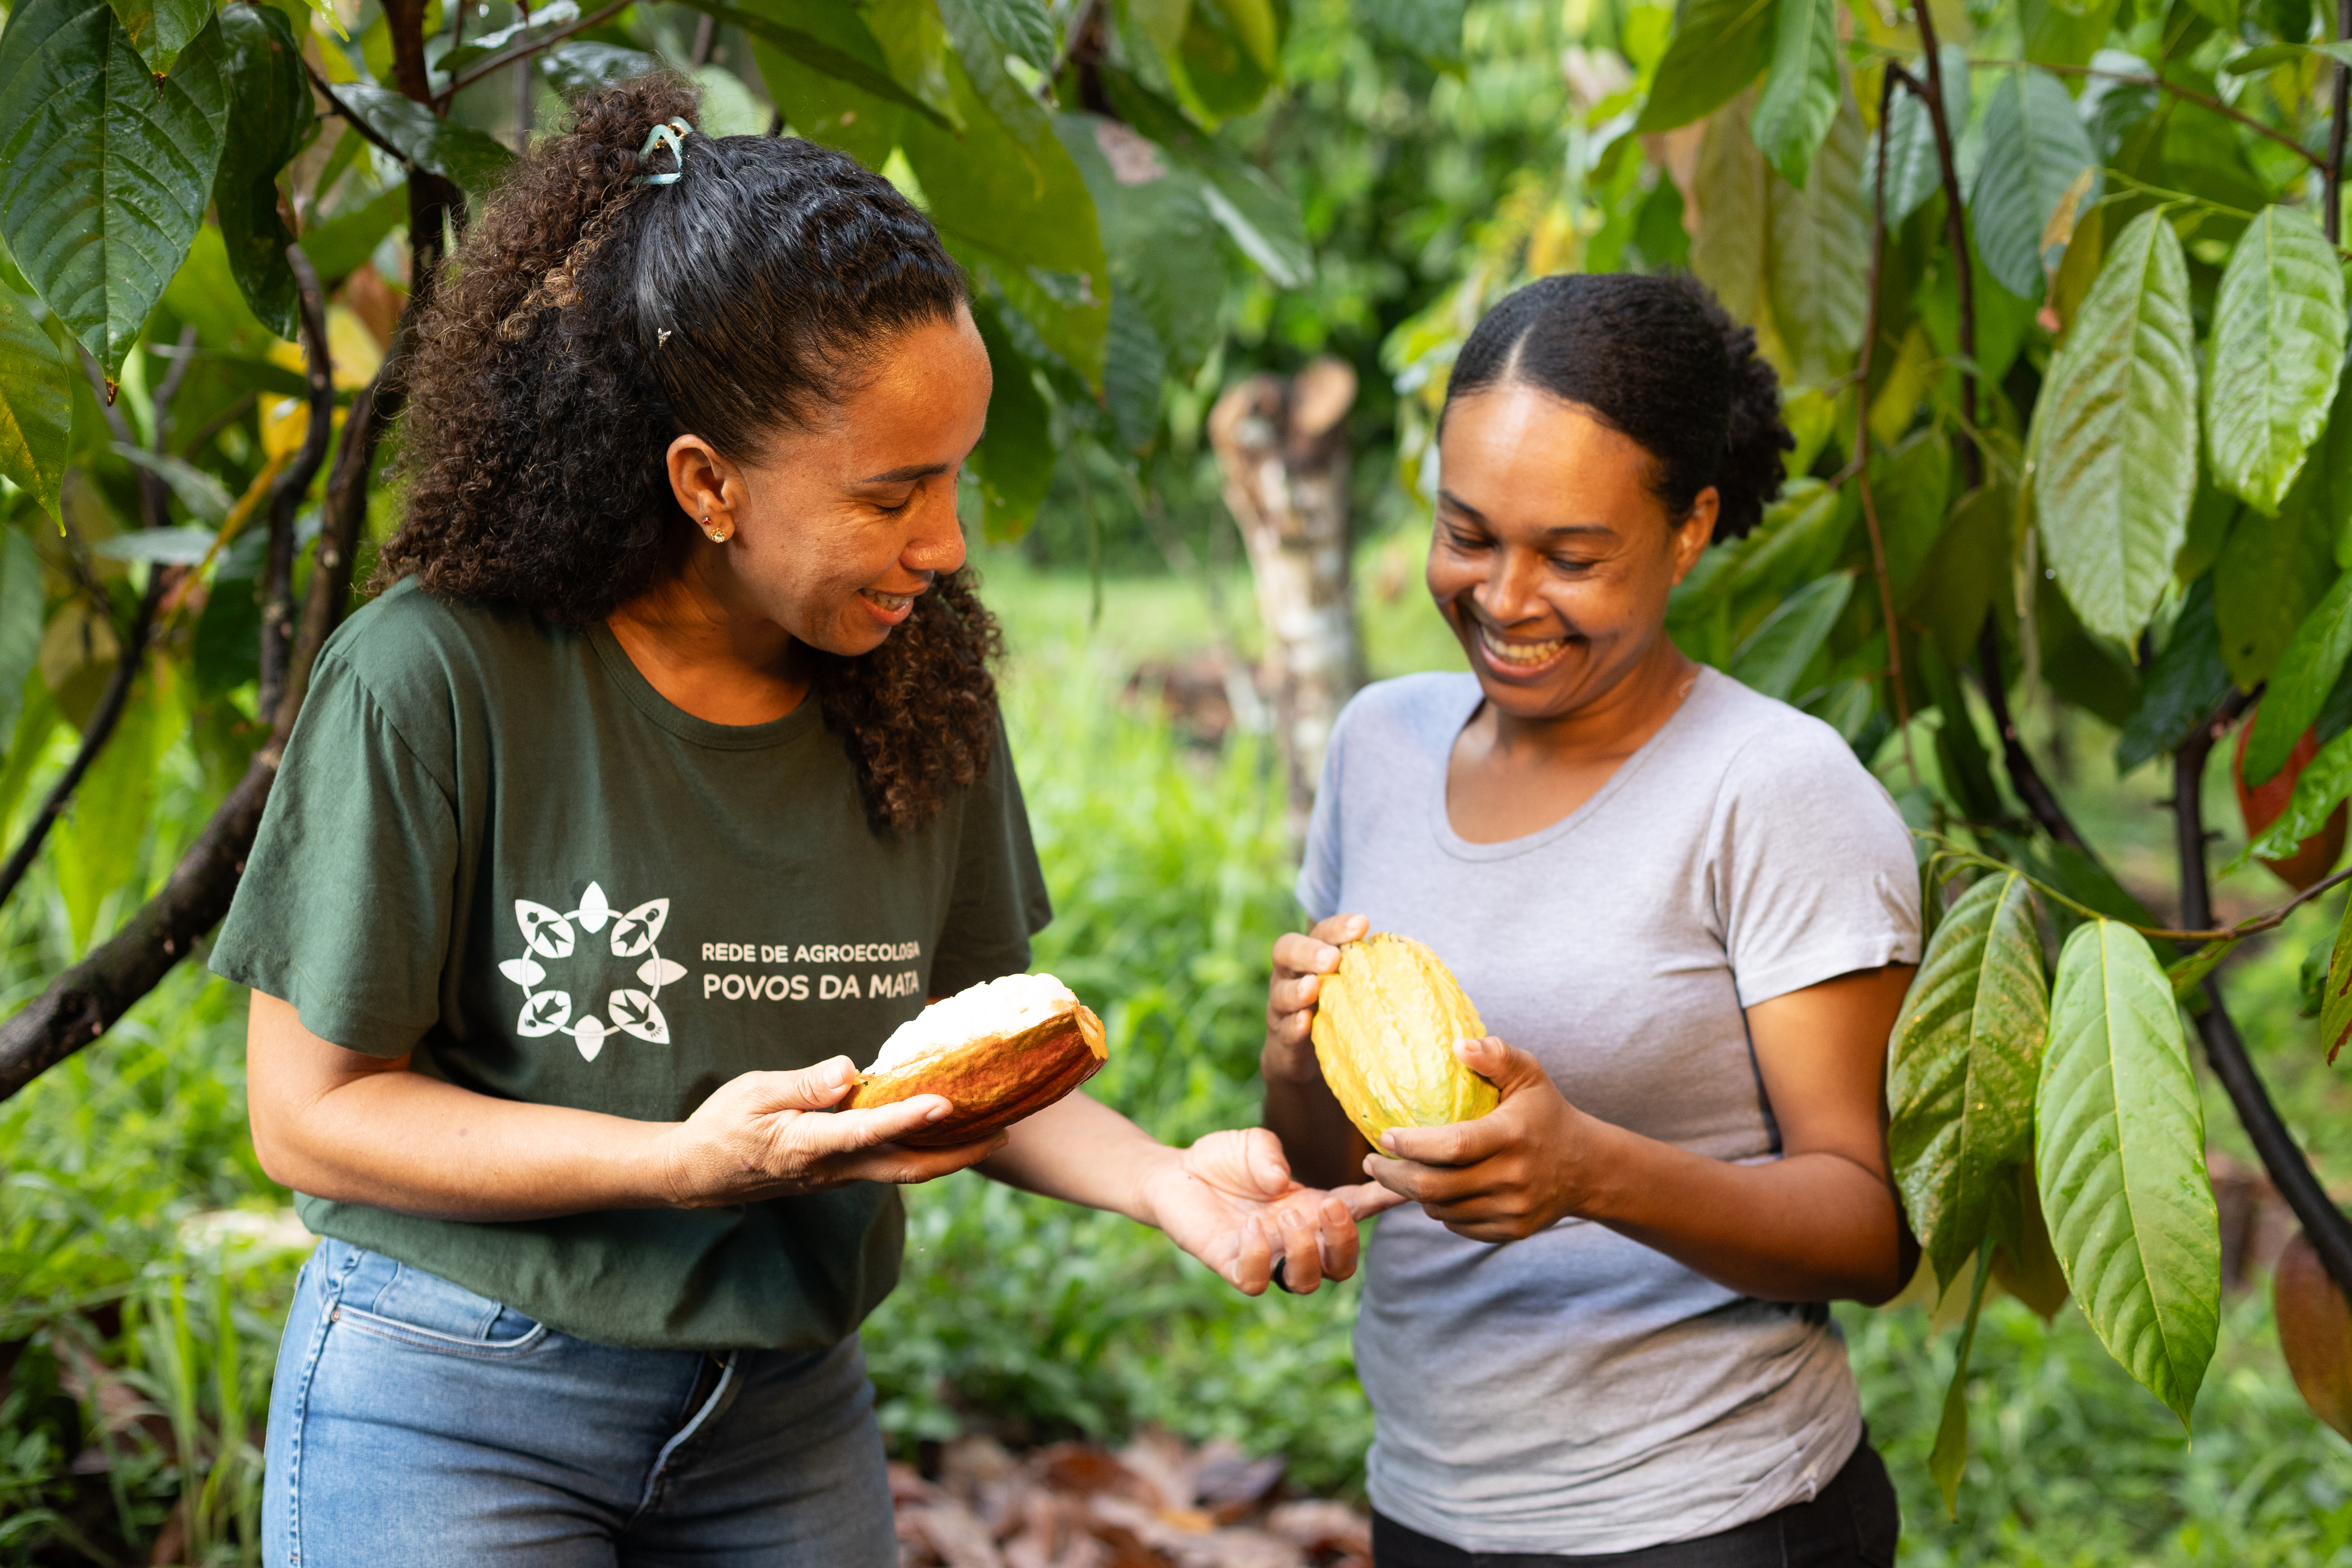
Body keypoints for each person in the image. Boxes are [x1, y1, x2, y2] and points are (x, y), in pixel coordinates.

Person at [217, 76, 1382, 1567]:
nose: (949, 543)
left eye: (954, 476)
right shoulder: (433, 679)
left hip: (781, 1411)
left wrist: (1175, 1189)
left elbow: (957, 1064)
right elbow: (307, 1115)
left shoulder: (918, 678)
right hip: (460, 1397)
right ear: (706, 481)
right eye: (895, 493)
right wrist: (676, 1164)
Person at [1261, 273, 1920, 1567]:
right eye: (1468, 533)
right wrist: (1296, 1061)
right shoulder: (1377, 744)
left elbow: (1871, 1226)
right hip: (1431, 1506)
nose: (1505, 599)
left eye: (1572, 556)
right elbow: (1337, 1171)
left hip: (1709, 1514)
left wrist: (1589, 1173)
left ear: (1689, 532)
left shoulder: (1774, 792)